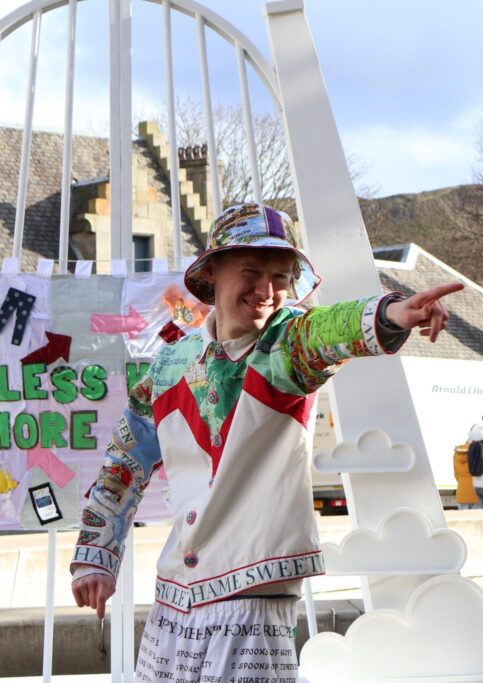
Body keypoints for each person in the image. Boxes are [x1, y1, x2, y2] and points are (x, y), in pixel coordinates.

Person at [68, 203, 462, 682]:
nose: (267, 290)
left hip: (252, 597)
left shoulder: (286, 346)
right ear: (212, 274)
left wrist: (393, 313)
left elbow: (329, 330)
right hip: (175, 596)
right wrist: (97, 556)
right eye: (251, 272)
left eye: (280, 276)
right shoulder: (169, 364)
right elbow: (124, 462)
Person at [452, 440, 479, 510]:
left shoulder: (456, 453)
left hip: (461, 493)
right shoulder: (477, 452)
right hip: (475, 493)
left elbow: (456, 475)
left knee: (463, 519)